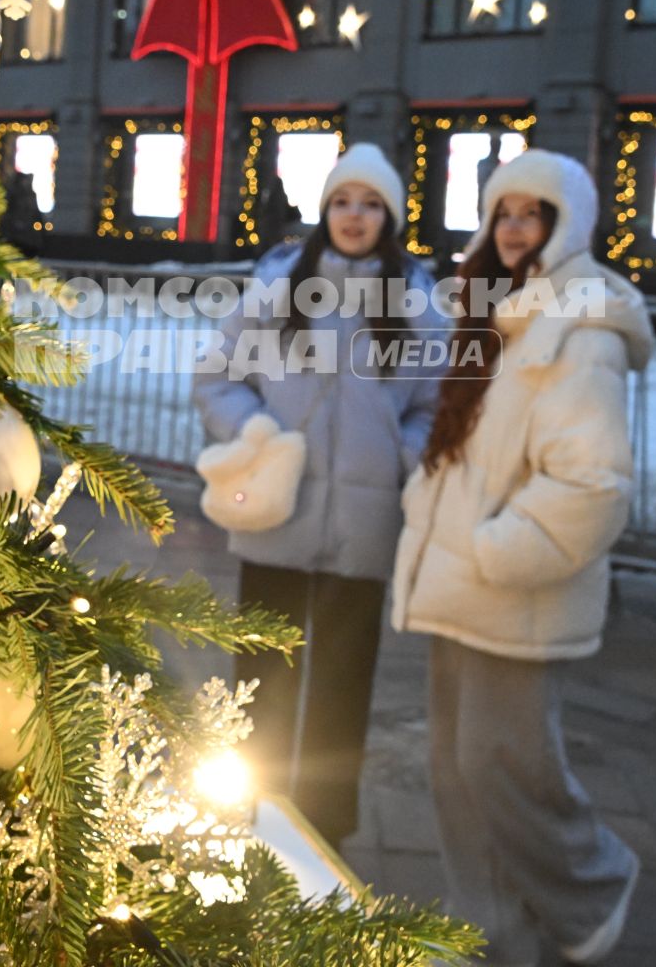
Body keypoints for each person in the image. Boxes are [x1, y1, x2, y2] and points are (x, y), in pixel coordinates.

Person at [392, 149, 653, 966]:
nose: (513, 229)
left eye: (532, 214)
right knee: (454, 770)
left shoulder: (581, 326)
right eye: (503, 213)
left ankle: (591, 889)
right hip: (462, 581)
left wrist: (498, 549)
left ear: (564, 223)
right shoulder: (494, 312)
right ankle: (488, 928)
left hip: (512, 586)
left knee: (503, 767)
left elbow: (594, 480)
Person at [193, 143, 443, 848]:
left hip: (364, 523)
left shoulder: (419, 306)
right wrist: (254, 435)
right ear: (323, 210)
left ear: (389, 217)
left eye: (369, 204)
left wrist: (403, 455)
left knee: (341, 684)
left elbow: (435, 405)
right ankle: (248, 815)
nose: (354, 216)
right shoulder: (277, 290)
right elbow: (218, 377)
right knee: (259, 678)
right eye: (341, 201)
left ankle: (323, 834)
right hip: (278, 511)